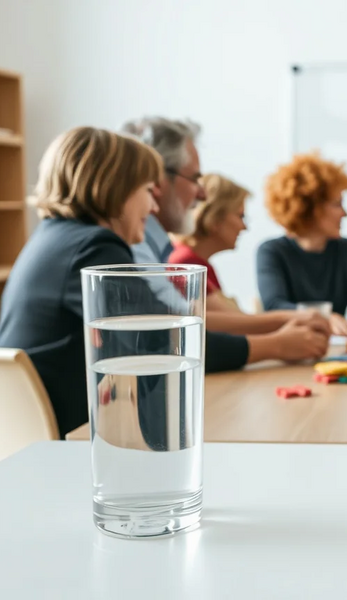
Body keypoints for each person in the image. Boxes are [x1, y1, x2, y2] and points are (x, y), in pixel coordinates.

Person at [0, 128, 297, 438]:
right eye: (147, 191)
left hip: (27, 432)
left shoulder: (56, 237)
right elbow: (165, 342)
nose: (153, 208)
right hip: (55, 442)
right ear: (116, 188)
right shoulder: (93, 245)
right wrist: (276, 346)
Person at [121, 116, 330, 354]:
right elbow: (177, 335)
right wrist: (279, 341)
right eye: (194, 178)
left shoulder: (158, 251)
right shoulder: (170, 259)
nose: (201, 194)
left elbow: (188, 322)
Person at [257, 152, 347, 336]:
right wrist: (322, 316)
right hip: (291, 350)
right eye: (337, 204)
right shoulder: (272, 251)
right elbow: (274, 305)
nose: (345, 213)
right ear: (310, 209)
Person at [168, 173, 249, 312]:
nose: (244, 226)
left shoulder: (198, 263)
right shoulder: (185, 264)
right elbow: (227, 325)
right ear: (215, 217)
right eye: (240, 216)